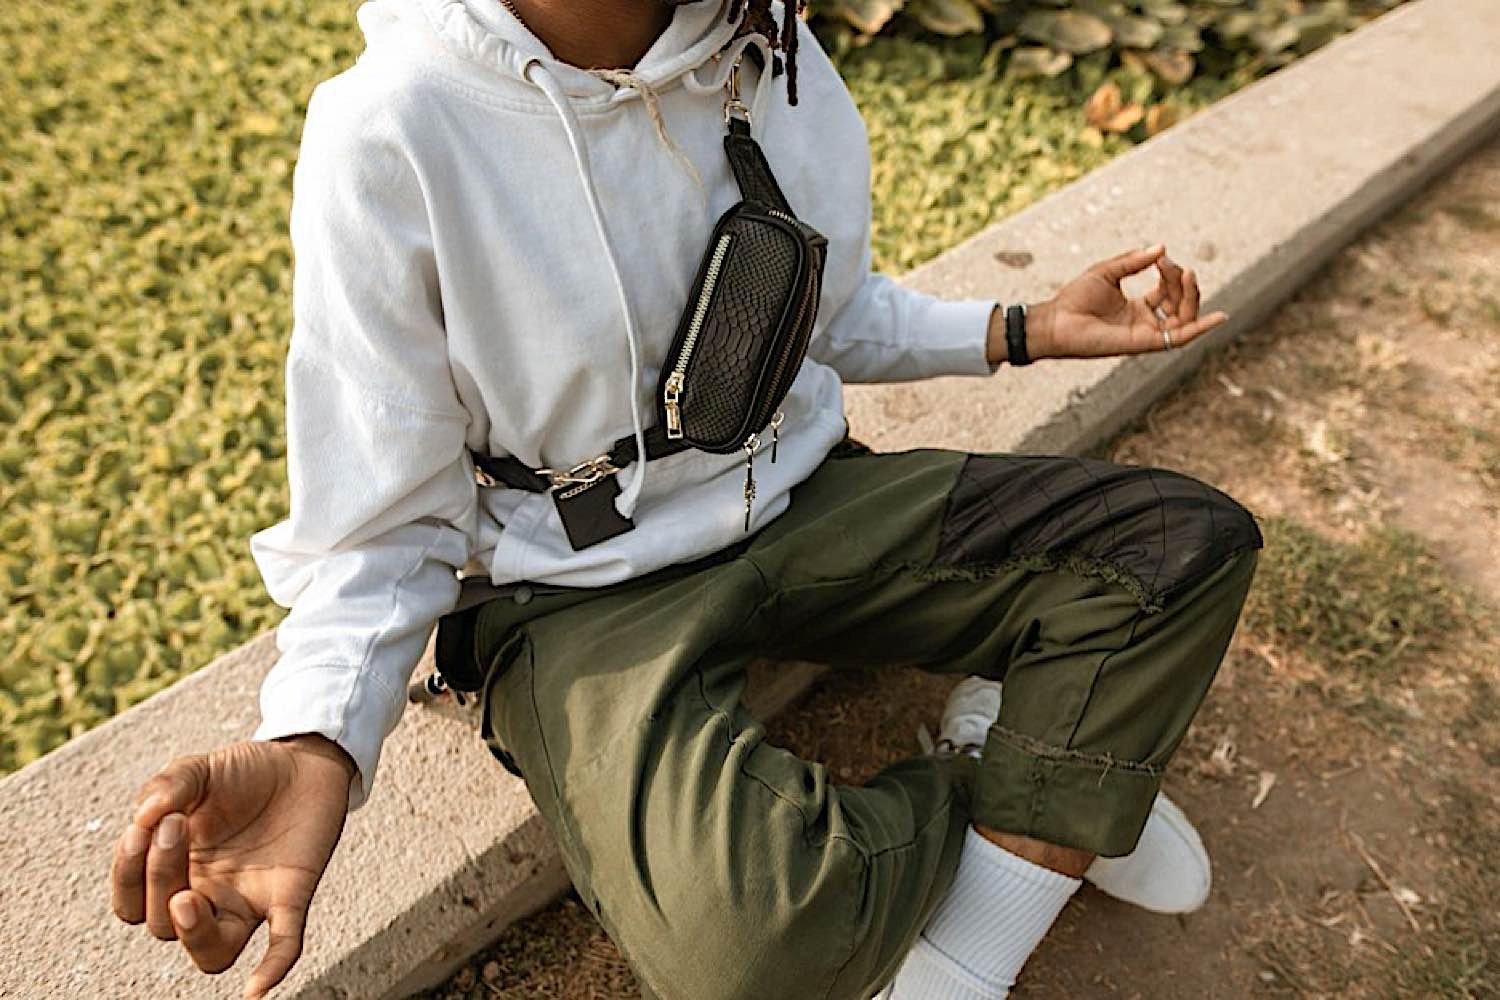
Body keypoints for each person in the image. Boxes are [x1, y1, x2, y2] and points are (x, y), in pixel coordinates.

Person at [108, 1, 1261, 998]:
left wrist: (1020, 329)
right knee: (749, 948)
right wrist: (316, 741)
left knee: (1177, 548)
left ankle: (983, 912)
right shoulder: (393, 130)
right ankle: (1024, 771)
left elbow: (821, 309)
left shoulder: (767, 45)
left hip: (803, 493)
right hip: (570, 594)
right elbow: (382, 515)